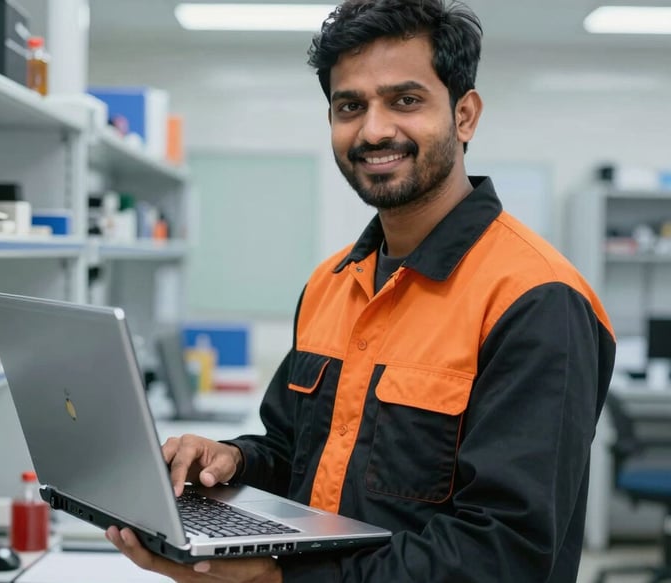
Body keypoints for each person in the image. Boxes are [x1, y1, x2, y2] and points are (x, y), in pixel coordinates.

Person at [107, 0, 616, 581]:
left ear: (465, 115)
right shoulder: (331, 283)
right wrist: (234, 460)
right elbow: (295, 453)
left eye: (405, 100)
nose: (374, 130)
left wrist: (281, 578)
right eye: (350, 106)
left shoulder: (535, 299)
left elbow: (505, 554)